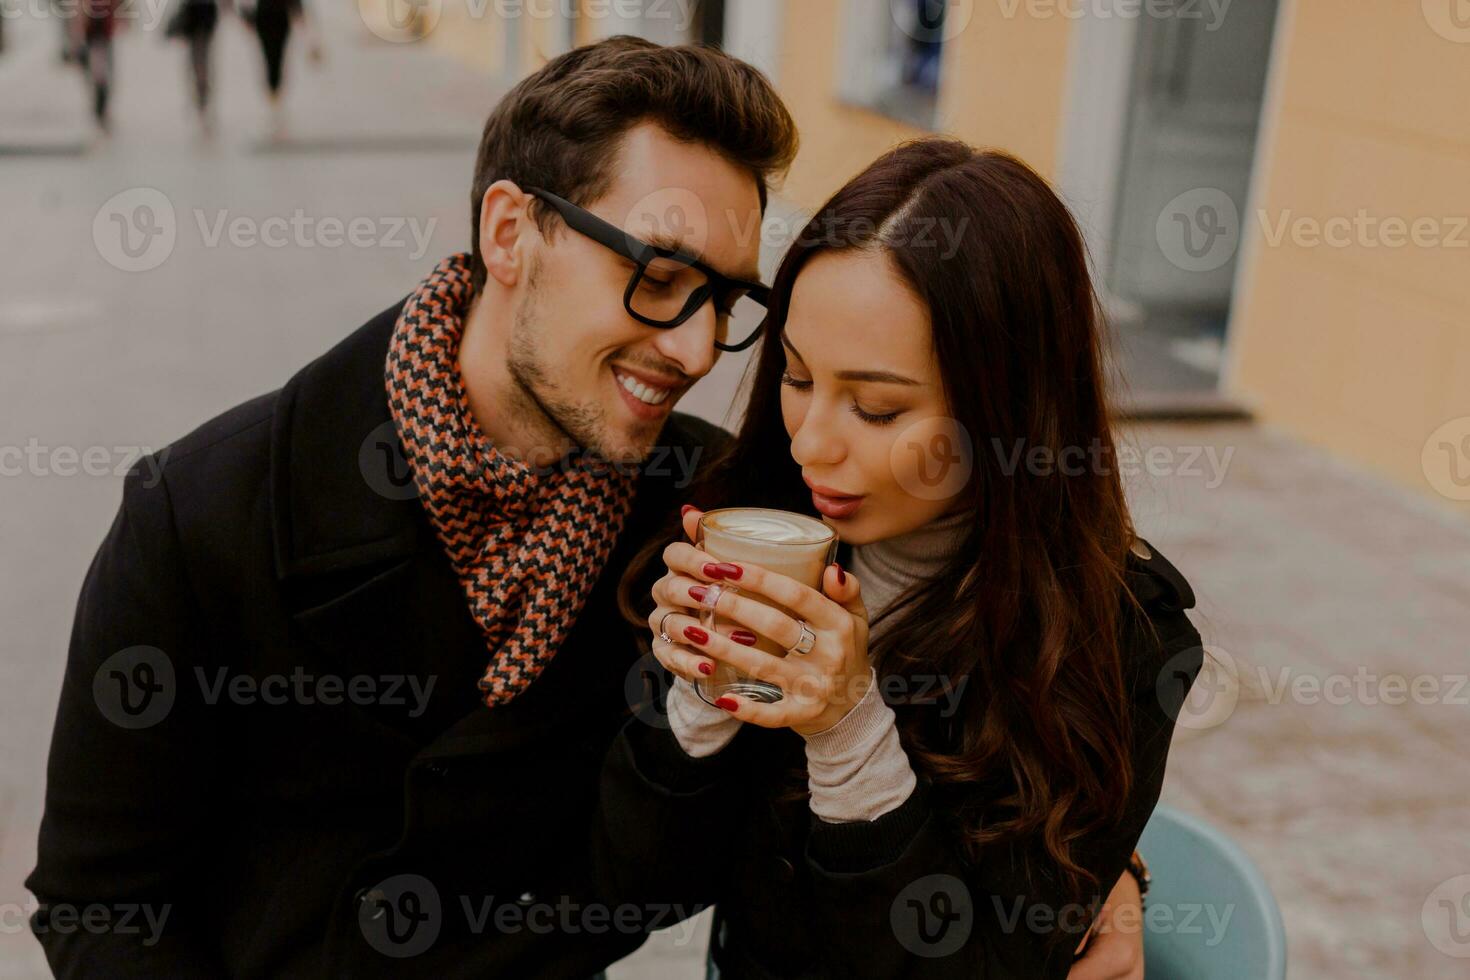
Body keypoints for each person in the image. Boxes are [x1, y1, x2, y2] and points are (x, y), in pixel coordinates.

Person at [25, 36, 796, 977]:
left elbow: (664, 870)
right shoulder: (204, 509)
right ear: (510, 232)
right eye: (659, 279)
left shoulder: (696, 523)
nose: (696, 350)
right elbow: (101, 902)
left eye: (723, 300)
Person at [605, 139, 1205, 978]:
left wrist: (849, 726)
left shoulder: (1126, 637)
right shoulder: (752, 528)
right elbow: (641, 886)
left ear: (1008, 409)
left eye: (879, 410)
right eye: (799, 377)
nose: (811, 444)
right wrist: (701, 700)